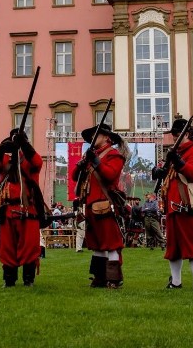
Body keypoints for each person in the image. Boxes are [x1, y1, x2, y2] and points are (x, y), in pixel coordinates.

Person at [153, 118, 193, 291]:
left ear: (184, 134)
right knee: (173, 248)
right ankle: (175, 281)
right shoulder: (174, 152)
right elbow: (165, 174)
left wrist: (178, 161)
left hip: (189, 206)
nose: (174, 137)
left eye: (176, 134)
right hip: (172, 206)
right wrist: (158, 171)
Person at [71, 122, 126, 288]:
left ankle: (114, 279)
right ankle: (100, 278)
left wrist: (96, 161)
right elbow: (75, 177)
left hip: (105, 204)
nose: (93, 138)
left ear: (107, 137)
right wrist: (82, 164)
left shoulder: (114, 155)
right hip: (90, 205)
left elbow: (110, 175)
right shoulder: (90, 156)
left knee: (111, 243)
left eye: (98, 134)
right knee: (96, 243)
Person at [0, 128, 44, 287]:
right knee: (7, 248)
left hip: (28, 211)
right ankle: (9, 280)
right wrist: (2, 147)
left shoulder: (30, 159)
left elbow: (37, 162)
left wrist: (24, 144)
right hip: (7, 210)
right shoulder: (5, 161)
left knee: (29, 248)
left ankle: (28, 280)